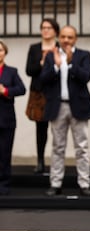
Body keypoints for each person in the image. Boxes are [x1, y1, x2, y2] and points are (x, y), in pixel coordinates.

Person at [40, 25, 90, 197]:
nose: (66, 40)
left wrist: (71, 63)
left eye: (70, 37)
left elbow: (86, 77)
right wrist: (56, 66)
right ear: (59, 37)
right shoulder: (51, 56)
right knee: (58, 147)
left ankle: (84, 183)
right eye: (63, 37)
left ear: (75, 39)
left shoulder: (83, 55)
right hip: (58, 107)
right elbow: (43, 79)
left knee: (82, 147)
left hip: (79, 106)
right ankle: (55, 183)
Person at [25, 18, 60, 174]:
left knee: (58, 129)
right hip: (39, 91)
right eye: (43, 27)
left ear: (55, 31)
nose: (45, 30)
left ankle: (57, 162)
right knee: (41, 128)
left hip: (55, 91)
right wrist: (41, 62)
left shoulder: (59, 47)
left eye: (49, 27)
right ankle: (40, 160)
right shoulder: (34, 48)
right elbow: (29, 70)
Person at [0, 41, 26, 195]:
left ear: (5, 52)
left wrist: (6, 91)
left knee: (4, 152)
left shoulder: (11, 71)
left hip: (6, 118)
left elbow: (22, 89)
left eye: (1, 50)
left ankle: (4, 182)